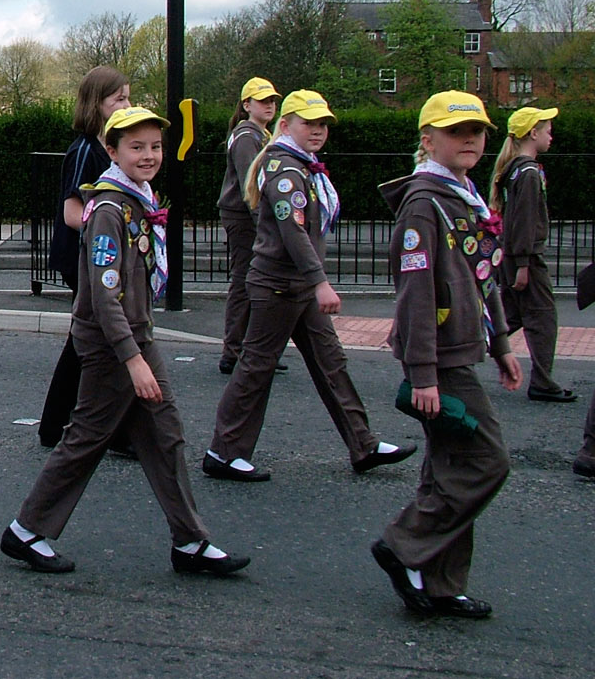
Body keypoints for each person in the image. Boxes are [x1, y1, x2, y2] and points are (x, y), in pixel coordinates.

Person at [1, 107, 249, 577]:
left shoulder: (139, 198)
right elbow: (103, 294)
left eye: (155, 147)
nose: (149, 155)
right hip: (111, 346)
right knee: (88, 436)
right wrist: (133, 360)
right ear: (112, 152)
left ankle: (190, 541)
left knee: (165, 436)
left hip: (135, 339)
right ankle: (27, 529)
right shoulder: (110, 208)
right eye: (136, 147)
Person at [204, 90, 416, 482]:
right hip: (279, 284)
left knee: (330, 362)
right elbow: (292, 230)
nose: (318, 131)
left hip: (296, 285)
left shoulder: (302, 165)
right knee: (257, 366)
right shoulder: (286, 169)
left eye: (323, 124)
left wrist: (313, 282)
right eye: (309, 123)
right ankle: (223, 451)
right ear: (286, 126)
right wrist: (320, 282)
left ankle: (362, 443)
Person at [372, 91, 523, 618]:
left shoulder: (463, 196)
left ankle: (438, 581)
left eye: (477, 132)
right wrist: (422, 375)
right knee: (487, 460)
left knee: (450, 465)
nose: (470, 141)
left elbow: (482, 279)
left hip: (464, 347)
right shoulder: (425, 203)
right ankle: (406, 543)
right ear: (427, 139)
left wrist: (501, 342)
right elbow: (415, 292)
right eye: (456, 132)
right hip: (441, 358)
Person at [38, 66, 131, 448]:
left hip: (97, 256)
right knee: (105, 338)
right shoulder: (85, 150)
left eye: (128, 97)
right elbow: (72, 213)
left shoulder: (109, 146)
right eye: (119, 99)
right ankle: (108, 428)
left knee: (87, 339)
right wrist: (113, 229)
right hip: (84, 257)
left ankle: (58, 424)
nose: (127, 104)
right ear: (98, 104)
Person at [488, 106, 575, 403]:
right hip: (525, 258)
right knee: (543, 319)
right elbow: (523, 220)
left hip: (512, 256)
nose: (551, 136)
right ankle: (542, 382)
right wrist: (524, 263)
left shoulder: (516, 169)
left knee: (508, 317)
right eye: (548, 130)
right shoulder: (527, 173)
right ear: (533, 133)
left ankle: (451, 354)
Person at [217, 77, 286, 375]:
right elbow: (251, 184)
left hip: (248, 215)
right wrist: (264, 222)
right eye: (263, 101)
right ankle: (233, 351)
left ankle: (255, 349)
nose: (270, 105)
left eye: (272, 100)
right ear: (247, 105)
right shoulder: (247, 136)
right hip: (243, 217)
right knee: (245, 280)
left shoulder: (261, 133)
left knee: (256, 281)